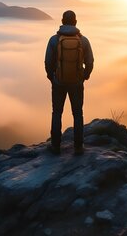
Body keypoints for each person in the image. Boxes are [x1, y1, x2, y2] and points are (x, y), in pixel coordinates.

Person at [44, 10, 94, 155]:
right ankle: (78, 147)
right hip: (77, 83)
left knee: (57, 112)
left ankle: (55, 146)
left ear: (62, 21)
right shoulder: (83, 40)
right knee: (77, 113)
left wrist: (52, 77)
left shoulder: (54, 40)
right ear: (76, 22)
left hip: (58, 82)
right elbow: (90, 62)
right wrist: (84, 76)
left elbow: (47, 62)